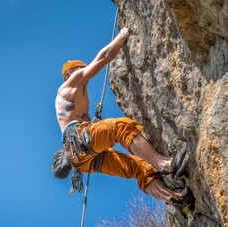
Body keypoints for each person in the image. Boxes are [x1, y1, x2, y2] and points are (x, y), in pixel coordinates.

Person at [52, 27, 186, 202]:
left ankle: (176, 199)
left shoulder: (72, 97)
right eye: (81, 69)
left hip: (82, 158)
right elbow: (103, 58)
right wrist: (122, 36)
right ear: (71, 72)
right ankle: (164, 163)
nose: (86, 73)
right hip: (77, 139)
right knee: (120, 128)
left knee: (139, 168)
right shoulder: (71, 82)